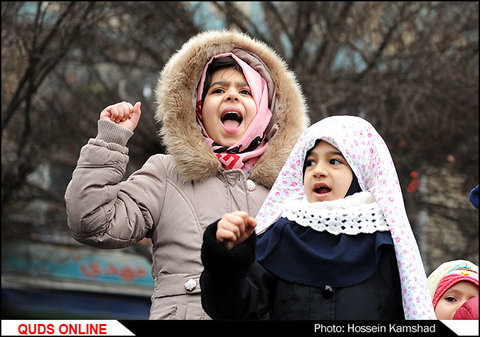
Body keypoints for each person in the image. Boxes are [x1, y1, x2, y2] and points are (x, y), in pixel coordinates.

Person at [64, 30, 309, 319]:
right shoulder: (167, 173)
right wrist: (110, 141)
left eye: (246, 91)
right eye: (218, 90)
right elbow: (91, 224)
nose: (232, 94)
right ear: (198, 109)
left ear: (267, 111)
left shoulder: (294, 187)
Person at [200, 115, 436, 319]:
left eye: (335, 161)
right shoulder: (278, 237)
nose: (318, 171)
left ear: (361, 172)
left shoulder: (387, 246)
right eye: (310, 162)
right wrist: (227, 257)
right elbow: (232, 310)